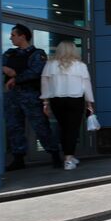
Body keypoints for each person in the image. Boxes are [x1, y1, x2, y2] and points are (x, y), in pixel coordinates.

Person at [2, 23, 61, 170]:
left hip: (31, 95)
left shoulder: (37, 54)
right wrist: (5, 69)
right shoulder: (9, 54)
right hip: (12, 97)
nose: (10, 38)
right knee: (14, 127)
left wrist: (15, 76)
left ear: (23, 36)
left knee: (41, 126)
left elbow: (36, 71)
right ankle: (18, 159)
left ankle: (55, 155)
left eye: (13, 35)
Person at [41, 41, 95, 170]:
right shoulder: (80, 66)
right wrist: (89, 103)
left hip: (56, 100)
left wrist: (45, 102)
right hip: (75, 100)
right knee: (72, 129)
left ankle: (68, 156)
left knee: (64, 127)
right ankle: (69, 159)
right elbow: (86, 85)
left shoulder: (50, 65)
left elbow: (45, 83)